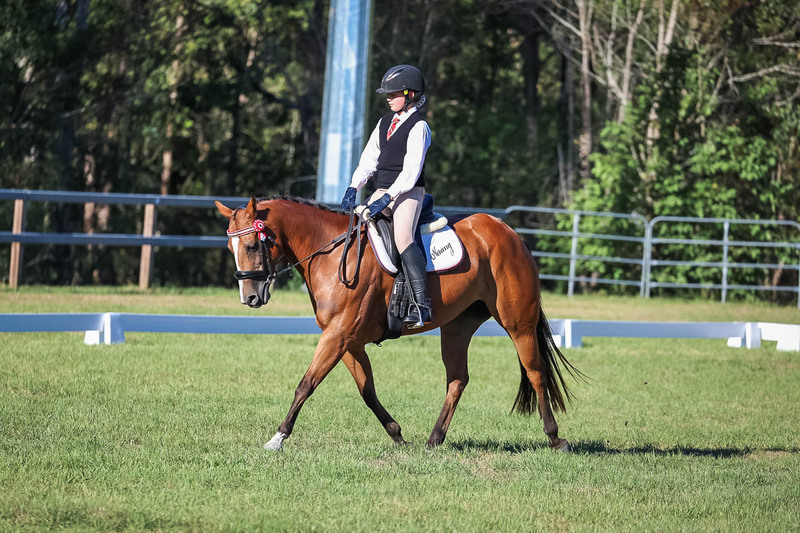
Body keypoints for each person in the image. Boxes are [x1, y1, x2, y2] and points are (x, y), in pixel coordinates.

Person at [340, 64, 432, 328]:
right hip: (383, 190)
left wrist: (389, 196)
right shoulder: (384, 123)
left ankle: (421, 304)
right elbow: (369, 160)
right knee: (355, 225)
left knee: (403, 237)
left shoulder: (419, 126)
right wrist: (353, 187)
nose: (388, 98)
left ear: (411, 94)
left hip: (408, 191)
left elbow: (411, 171)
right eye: (387, 94)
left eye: (393, 94)